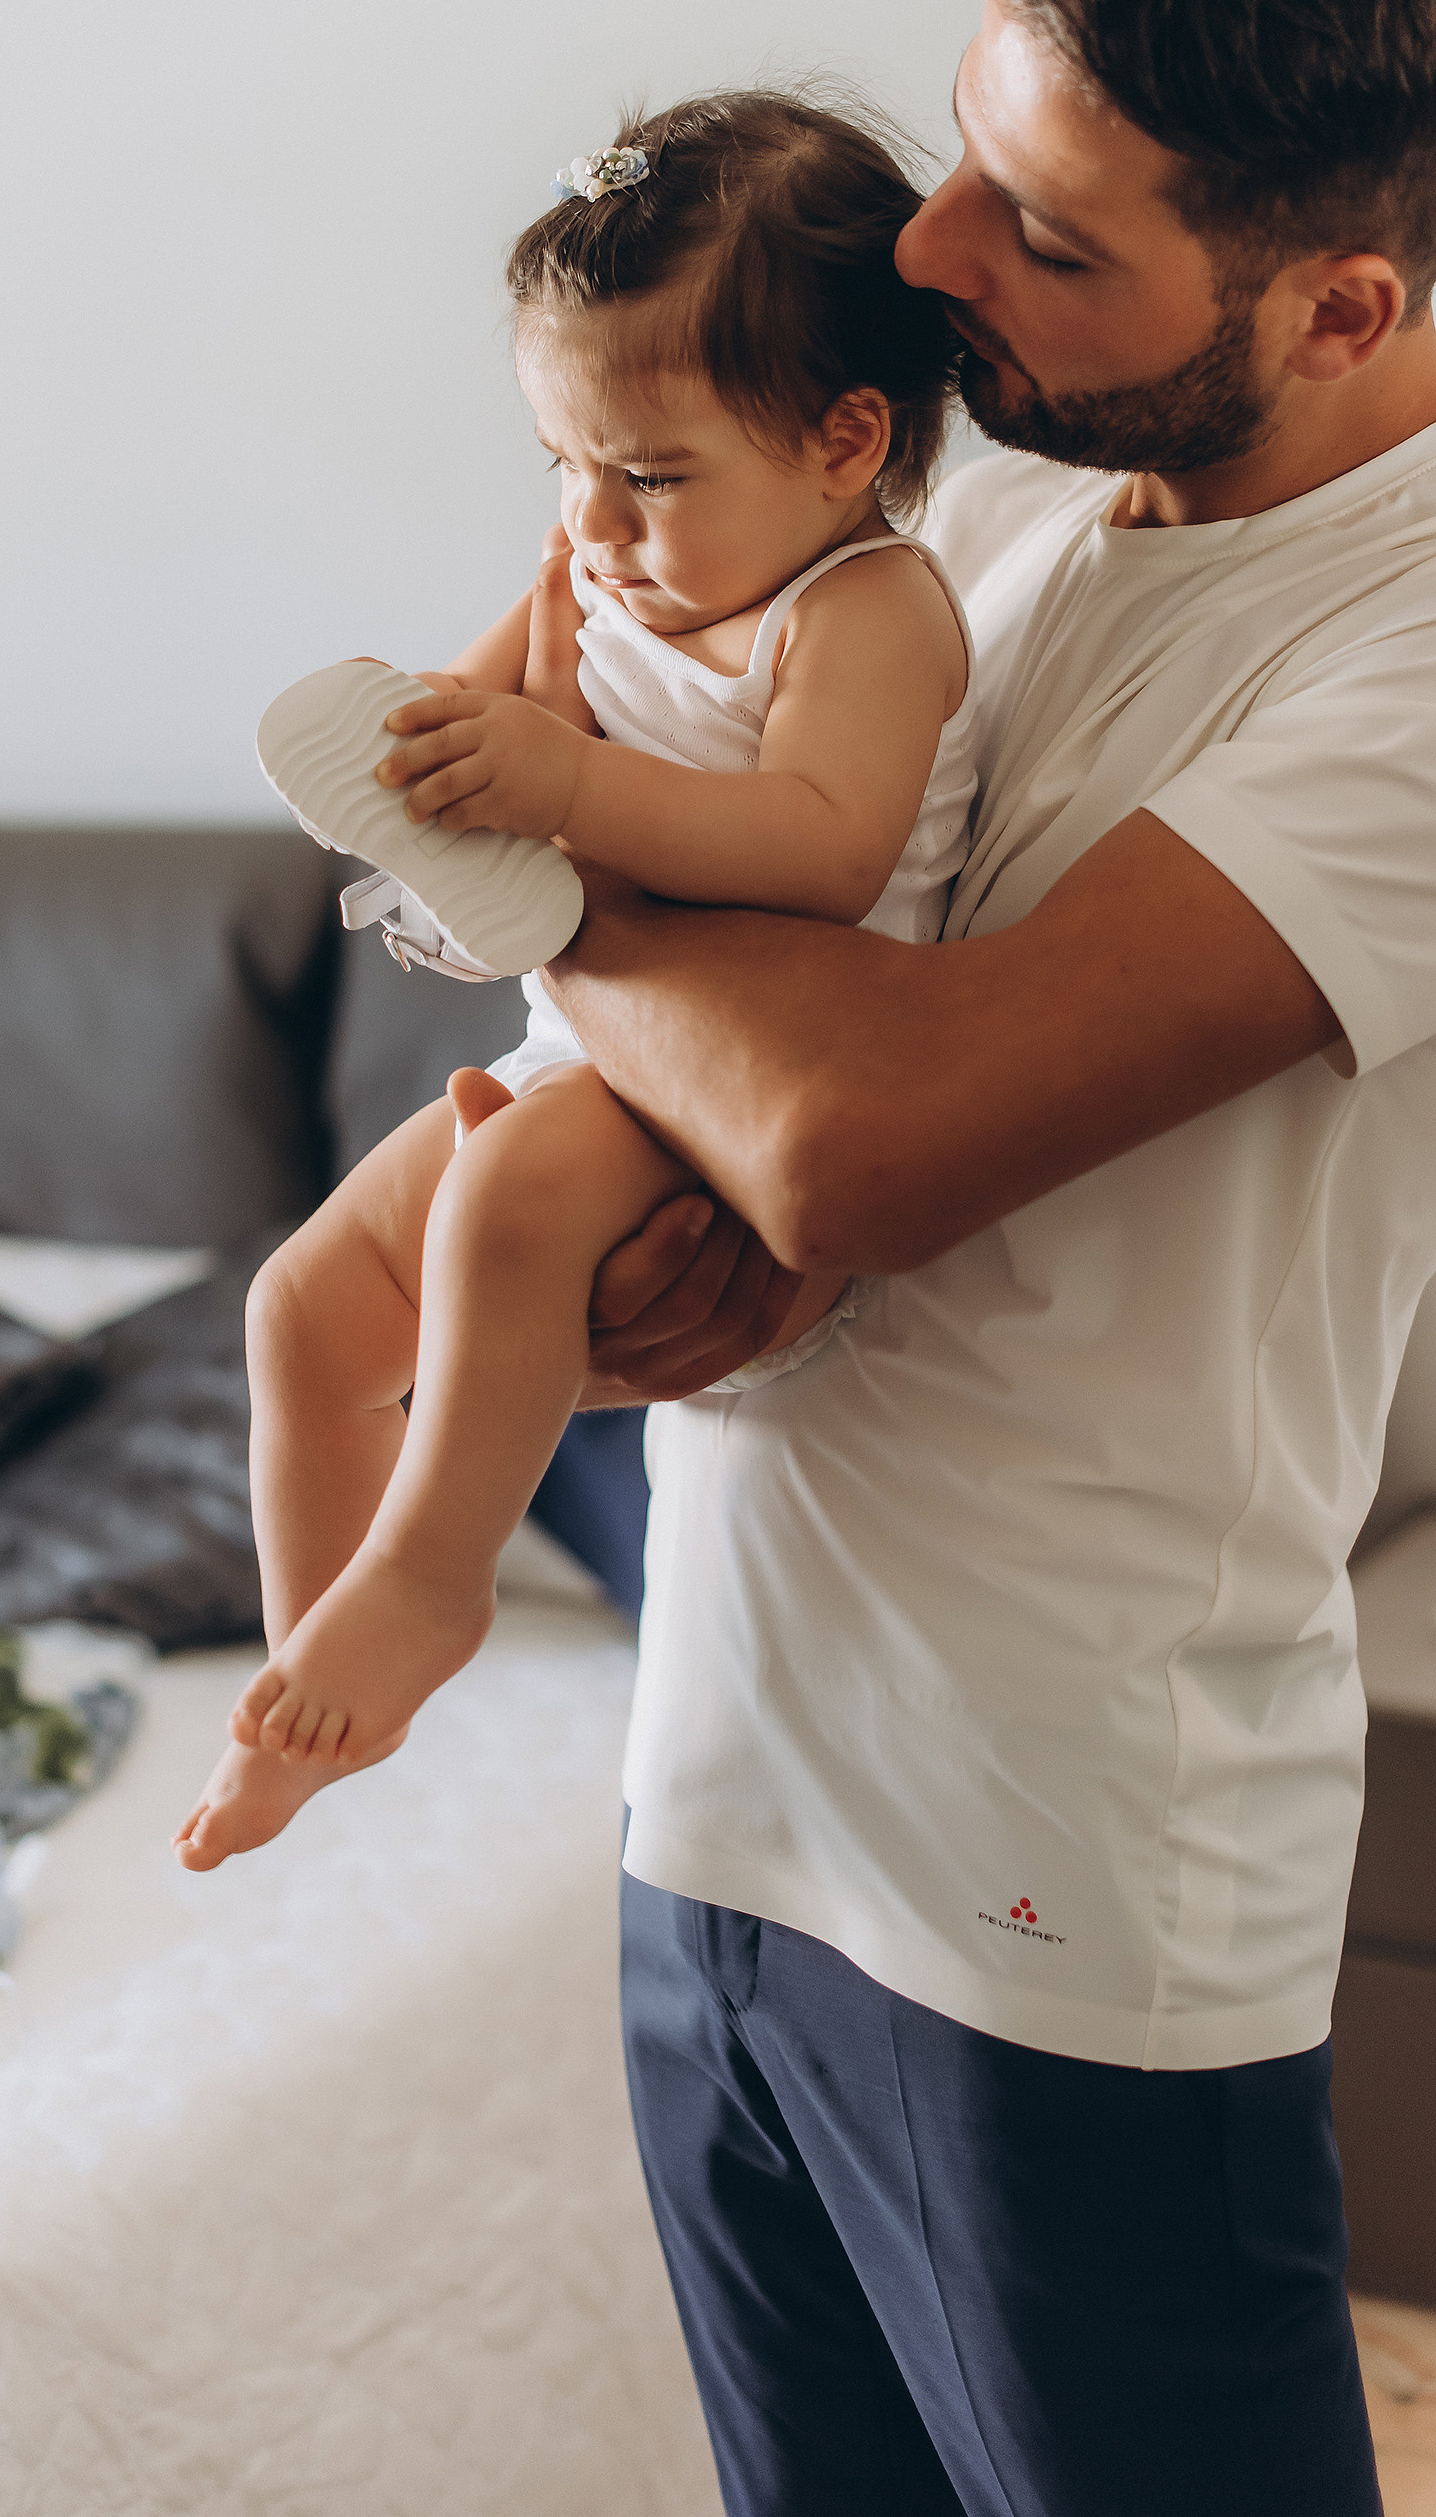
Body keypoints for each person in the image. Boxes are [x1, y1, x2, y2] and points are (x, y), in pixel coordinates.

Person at [516, 0, 1436, 2515]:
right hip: (727, 1794)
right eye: (964, 148)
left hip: (1054, 1902)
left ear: (1342, 303)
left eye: (1041, 233)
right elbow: (745, 1017)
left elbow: (863, 1135)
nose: (921, 257)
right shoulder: (1025, 531)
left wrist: (518, 865)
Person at [174, 93, 977, 1871]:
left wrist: (569, 788)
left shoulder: (859, 610)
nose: (594, 522)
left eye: (649, 473)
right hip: (587, 1046)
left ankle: (432, 1579)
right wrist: (434, 742)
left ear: (847, 440)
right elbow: (461, 755)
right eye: (561, 462)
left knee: (516, 1190)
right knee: (298, 1310)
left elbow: (829, 844)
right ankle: (323, 1655)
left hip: (747, 1065)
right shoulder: (598, 575)